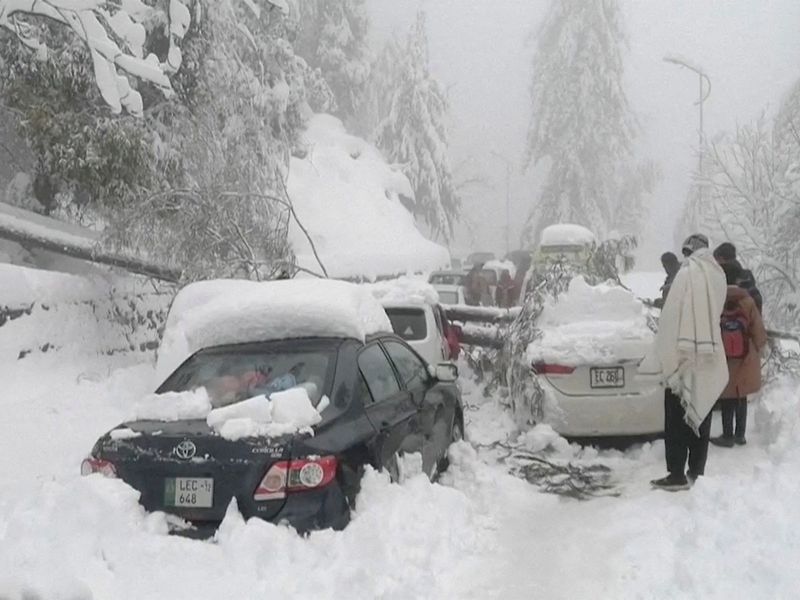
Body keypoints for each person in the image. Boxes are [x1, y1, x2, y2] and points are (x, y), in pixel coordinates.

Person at [638, 233, 729, 491]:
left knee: (676, 416)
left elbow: (672, 316)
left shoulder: (688, 273)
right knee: (702, 409)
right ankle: (697, 470)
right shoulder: (718, 274)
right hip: (709, 352)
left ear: (689, 251)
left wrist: (665, 350)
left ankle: (676, 473)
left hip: (683, 354)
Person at [710, 261, 767, 447]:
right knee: (740, 394)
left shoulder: (716, 300)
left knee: (727, 396)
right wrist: (757, 347)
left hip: (723, 356)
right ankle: (740, 435)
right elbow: (759, 331)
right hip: (745, 355)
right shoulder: (747, 301)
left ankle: (727, 435)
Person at [713, 242, 763, 313]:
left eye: (715, 260)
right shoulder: (746, 278)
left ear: (720, 258)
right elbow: (757, 302)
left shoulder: (719, 277)